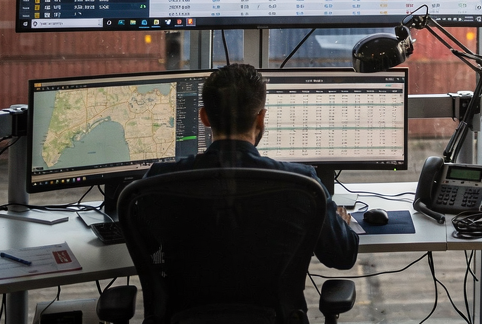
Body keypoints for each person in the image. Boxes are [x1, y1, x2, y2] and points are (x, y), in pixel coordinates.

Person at [147, 63, 358, 272]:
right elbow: (342, 255)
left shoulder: (159, 181)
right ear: (261, 118)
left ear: (204, 117)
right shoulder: (302, 183)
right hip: (276, 306)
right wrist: (339, 225)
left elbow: (142, 243)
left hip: (184, 306)